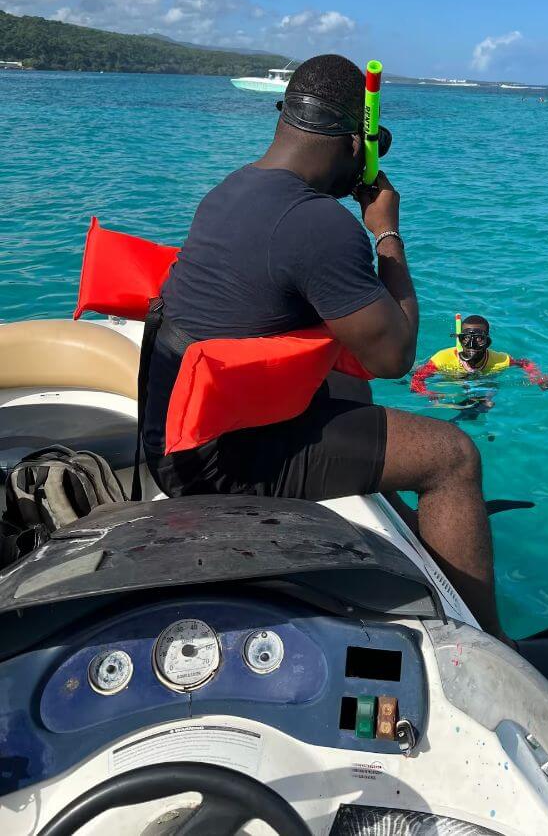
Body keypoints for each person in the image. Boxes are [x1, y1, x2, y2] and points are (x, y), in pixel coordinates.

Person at [142, 54, 514, 646]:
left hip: (178, 430)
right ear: (350, 144)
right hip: (215, 463)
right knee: (453, 457)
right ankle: (489, 643)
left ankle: (419, 538)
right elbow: (396, 358)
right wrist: (386, 231)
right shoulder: (319, 225)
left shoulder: (233, 187)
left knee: (349, 382)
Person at [411, 315, 548, 402]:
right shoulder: (442, 359)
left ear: (487, 341)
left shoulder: (499, 360)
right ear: (460, 340)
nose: (471, 345)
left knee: (488, 399)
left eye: (478, 339)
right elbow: (417, 378)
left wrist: (537, 375)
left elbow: (524, 363)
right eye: (466, 338)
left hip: (479, 380)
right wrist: (427, 393)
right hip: (446, 377)